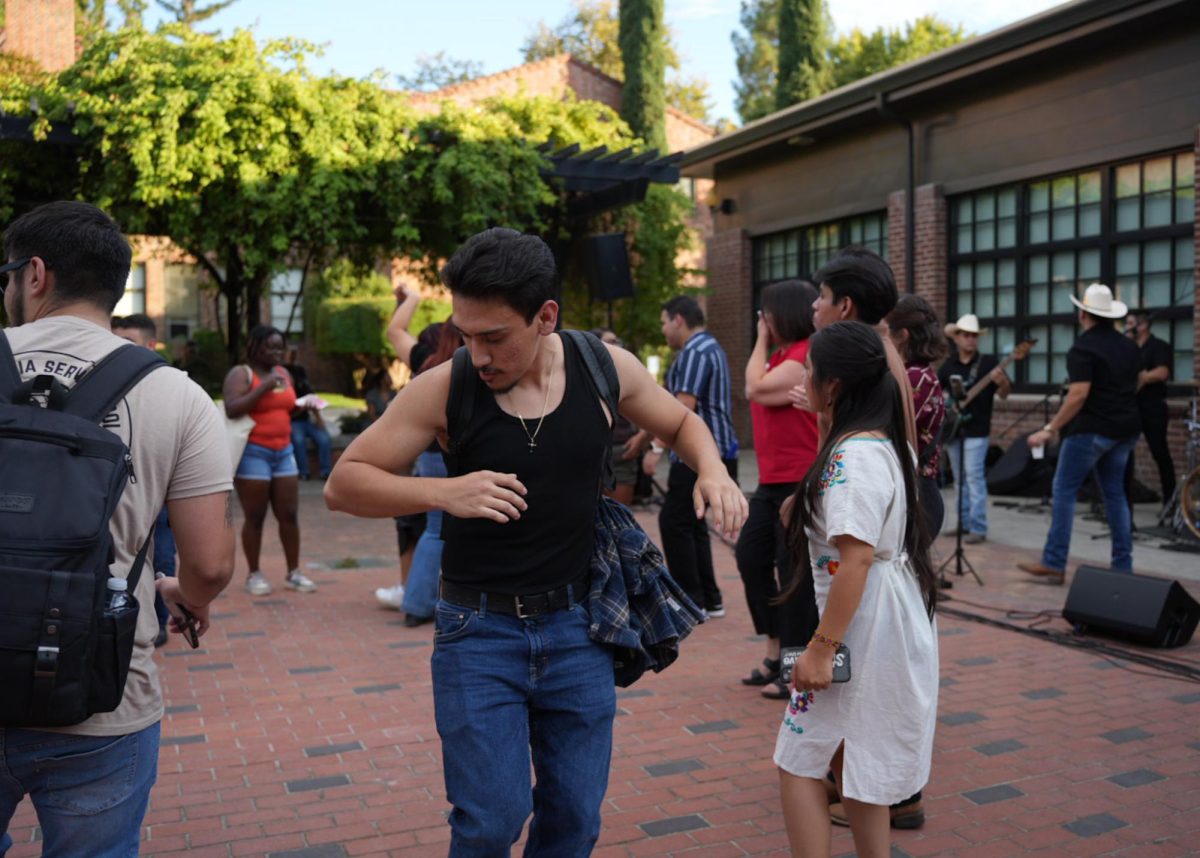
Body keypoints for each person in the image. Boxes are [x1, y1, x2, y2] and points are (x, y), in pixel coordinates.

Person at [324, 227, 747, 855]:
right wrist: (444, 493)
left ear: (546, 317)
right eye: (466, 335)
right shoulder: (447, 386)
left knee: (574, 820)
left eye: (494, 337)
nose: (479, 353)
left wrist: (711, 470)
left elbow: (682, 421)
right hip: (478, 633)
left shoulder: (605, 368)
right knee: (491, 821)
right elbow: (344, 483)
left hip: (580, 630)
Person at [0, 201, 234, 855]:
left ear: (35, 274)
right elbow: (211, 564)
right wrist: (182, 595)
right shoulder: (178, 394)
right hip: (102, 694)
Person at [775, 320, 939, 858]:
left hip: (857, 629)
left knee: (798, 759)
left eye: (812, 371)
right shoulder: (884, 446)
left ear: (835, 386)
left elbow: (857, 557)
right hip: (888, 622)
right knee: (858, 760)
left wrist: (821, 649)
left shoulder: (851, 460)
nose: (805, 377)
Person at [1020, 284, 1140, 583]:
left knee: (1064, 490)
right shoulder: (1129, 346)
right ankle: (1122, 567)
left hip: (1090, 431)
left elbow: (1078, 395)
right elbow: (1134, 383)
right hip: (1124, 429)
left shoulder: (1083, 347)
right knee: (1115, 495)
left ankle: (1055, 562)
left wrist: (1050, 428)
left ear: (1083, 313)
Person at [736, 280, 819, 700]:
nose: (762, 320)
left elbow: (754, 388)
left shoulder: (804, 353)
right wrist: (766, 343)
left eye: (766, 313)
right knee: (750, 558)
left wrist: (760, 339)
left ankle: (791, 666)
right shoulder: (781, 355)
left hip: (797, 480)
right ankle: (774, 651)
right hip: (770, 481)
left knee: (792, 576)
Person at [645, 294, 739, 617]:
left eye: (663, 323)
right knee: (694, 524)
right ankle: (708, 598)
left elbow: (682, 406)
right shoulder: (713, 347)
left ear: (678, 320)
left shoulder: (694, 352)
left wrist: (656, 448)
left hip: (697, 455)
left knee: (674, 521)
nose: (663, 330)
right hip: (719, 451)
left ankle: (690, 599)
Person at [222, 325, 317, 595]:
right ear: (255, 347)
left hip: (284, 451)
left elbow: (285, 408)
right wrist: (263, 387)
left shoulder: (283, 373)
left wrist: (303, 405)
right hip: (254, 453)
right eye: (272, 347)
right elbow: (232, 408)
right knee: (255, 516)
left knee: (289, 514)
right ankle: (254, 574)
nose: (278, 352)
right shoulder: (242, 374)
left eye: (281, 347)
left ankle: (294, 572)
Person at [111, 313, 176, 647]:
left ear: (151, 346)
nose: (118, 349)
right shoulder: (104, 382)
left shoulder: (168, 388)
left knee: (162, 554)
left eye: (128, 343)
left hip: (156, 493)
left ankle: (160, 621)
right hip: (113, 495)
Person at [937, 313, 1011, 544]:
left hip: (978, 429)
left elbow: (1005, 393)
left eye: (974, 336)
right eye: (966, 335)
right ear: (956, 338)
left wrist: (1001, 381)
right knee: (960, 479)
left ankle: (978, 527)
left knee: (974, 478)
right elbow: (939, 395)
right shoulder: (948, 366)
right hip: (955, 429)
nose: (970, 340)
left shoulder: (988, 363)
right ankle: (963, 524)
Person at [885, 295, 948, 537]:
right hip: (915, 494)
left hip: (919, 497)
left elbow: (886, 429)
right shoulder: (915, 375)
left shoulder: (915, 378)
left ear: (902, 336)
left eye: (885, 331)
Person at [1124, 311, 1175, 507]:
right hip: (1131, 407)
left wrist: (1142, 377)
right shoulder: (1127, 348)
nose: (1126, 327)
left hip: (1153, 407)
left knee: (1159, 452)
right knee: (1125, 453)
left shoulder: (1158, 346)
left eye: (1130, 323)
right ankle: (1124, 505)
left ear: (1142, 325)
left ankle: (1170, 502)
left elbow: (1162, 372)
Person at [592, 327, 648, 506]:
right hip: (592, 456)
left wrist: (641, 437)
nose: (617, 346)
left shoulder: (627, 372)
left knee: (620, 520)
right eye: (611, 341)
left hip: (621, 453)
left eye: (617, 341)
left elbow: (649, 412)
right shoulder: (583, 376)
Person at [286, 354, 332, 481]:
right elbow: (287, 416)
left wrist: (318, 417)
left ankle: (326, 471)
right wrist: (301, 409)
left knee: (324, 439)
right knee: (298, 440)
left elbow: (314, 407)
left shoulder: (304, 388)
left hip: (306, 421)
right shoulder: (286, 392)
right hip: (294, 422)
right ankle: (304, 472)